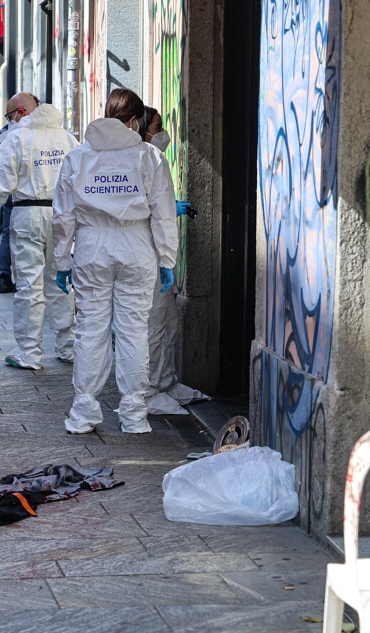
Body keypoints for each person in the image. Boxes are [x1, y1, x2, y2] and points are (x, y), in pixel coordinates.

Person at [52, 88, 177, 434]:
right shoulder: (149, 157)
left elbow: (63, 217)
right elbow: (164, 214)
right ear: (135, 121)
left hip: (92, 245)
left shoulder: (78, 157)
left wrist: (62, 262)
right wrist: (168, 259)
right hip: (137, 245)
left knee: (90, 330)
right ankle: (134, 415)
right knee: (133, 330)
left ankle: (84, 412)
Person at [0, 93, 78, 370]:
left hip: (28, 213)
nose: (9, 122)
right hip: (62, 215)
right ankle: (67, 346)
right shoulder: (66, 137)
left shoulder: (16, 138)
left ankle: (29, 352)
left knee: (28, 284)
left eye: (9, 116)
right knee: (60, 280)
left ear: (21, 113)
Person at [139, 107, 209, 416]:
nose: (163, 131)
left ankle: (166, 383)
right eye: (157, 126)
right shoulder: (140, 159)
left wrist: (168, 207)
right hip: (145, 252)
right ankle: (150, 391)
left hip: (154, 251)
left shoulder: (152, 159)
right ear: (141, 128)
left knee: (166, 319)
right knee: (153, 323)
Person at [0, 122, 16, 294]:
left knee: (7, 233)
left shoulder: (3, 134)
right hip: (26, 193)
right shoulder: (32, 132)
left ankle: (5, 277)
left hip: (8, 189)